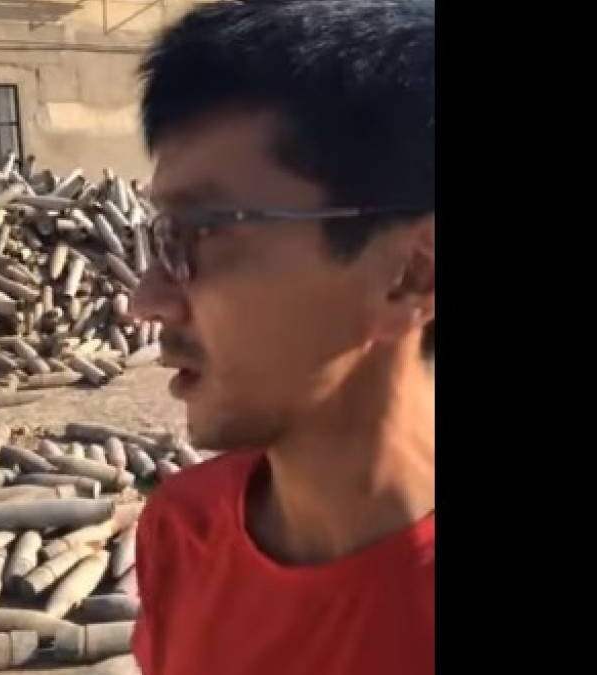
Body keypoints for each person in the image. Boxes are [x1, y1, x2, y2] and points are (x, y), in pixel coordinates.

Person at [127, 1, 435, 674]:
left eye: (202, 232)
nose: (142, 302)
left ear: (411, 274)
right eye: (161, 236)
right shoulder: (182, 531)